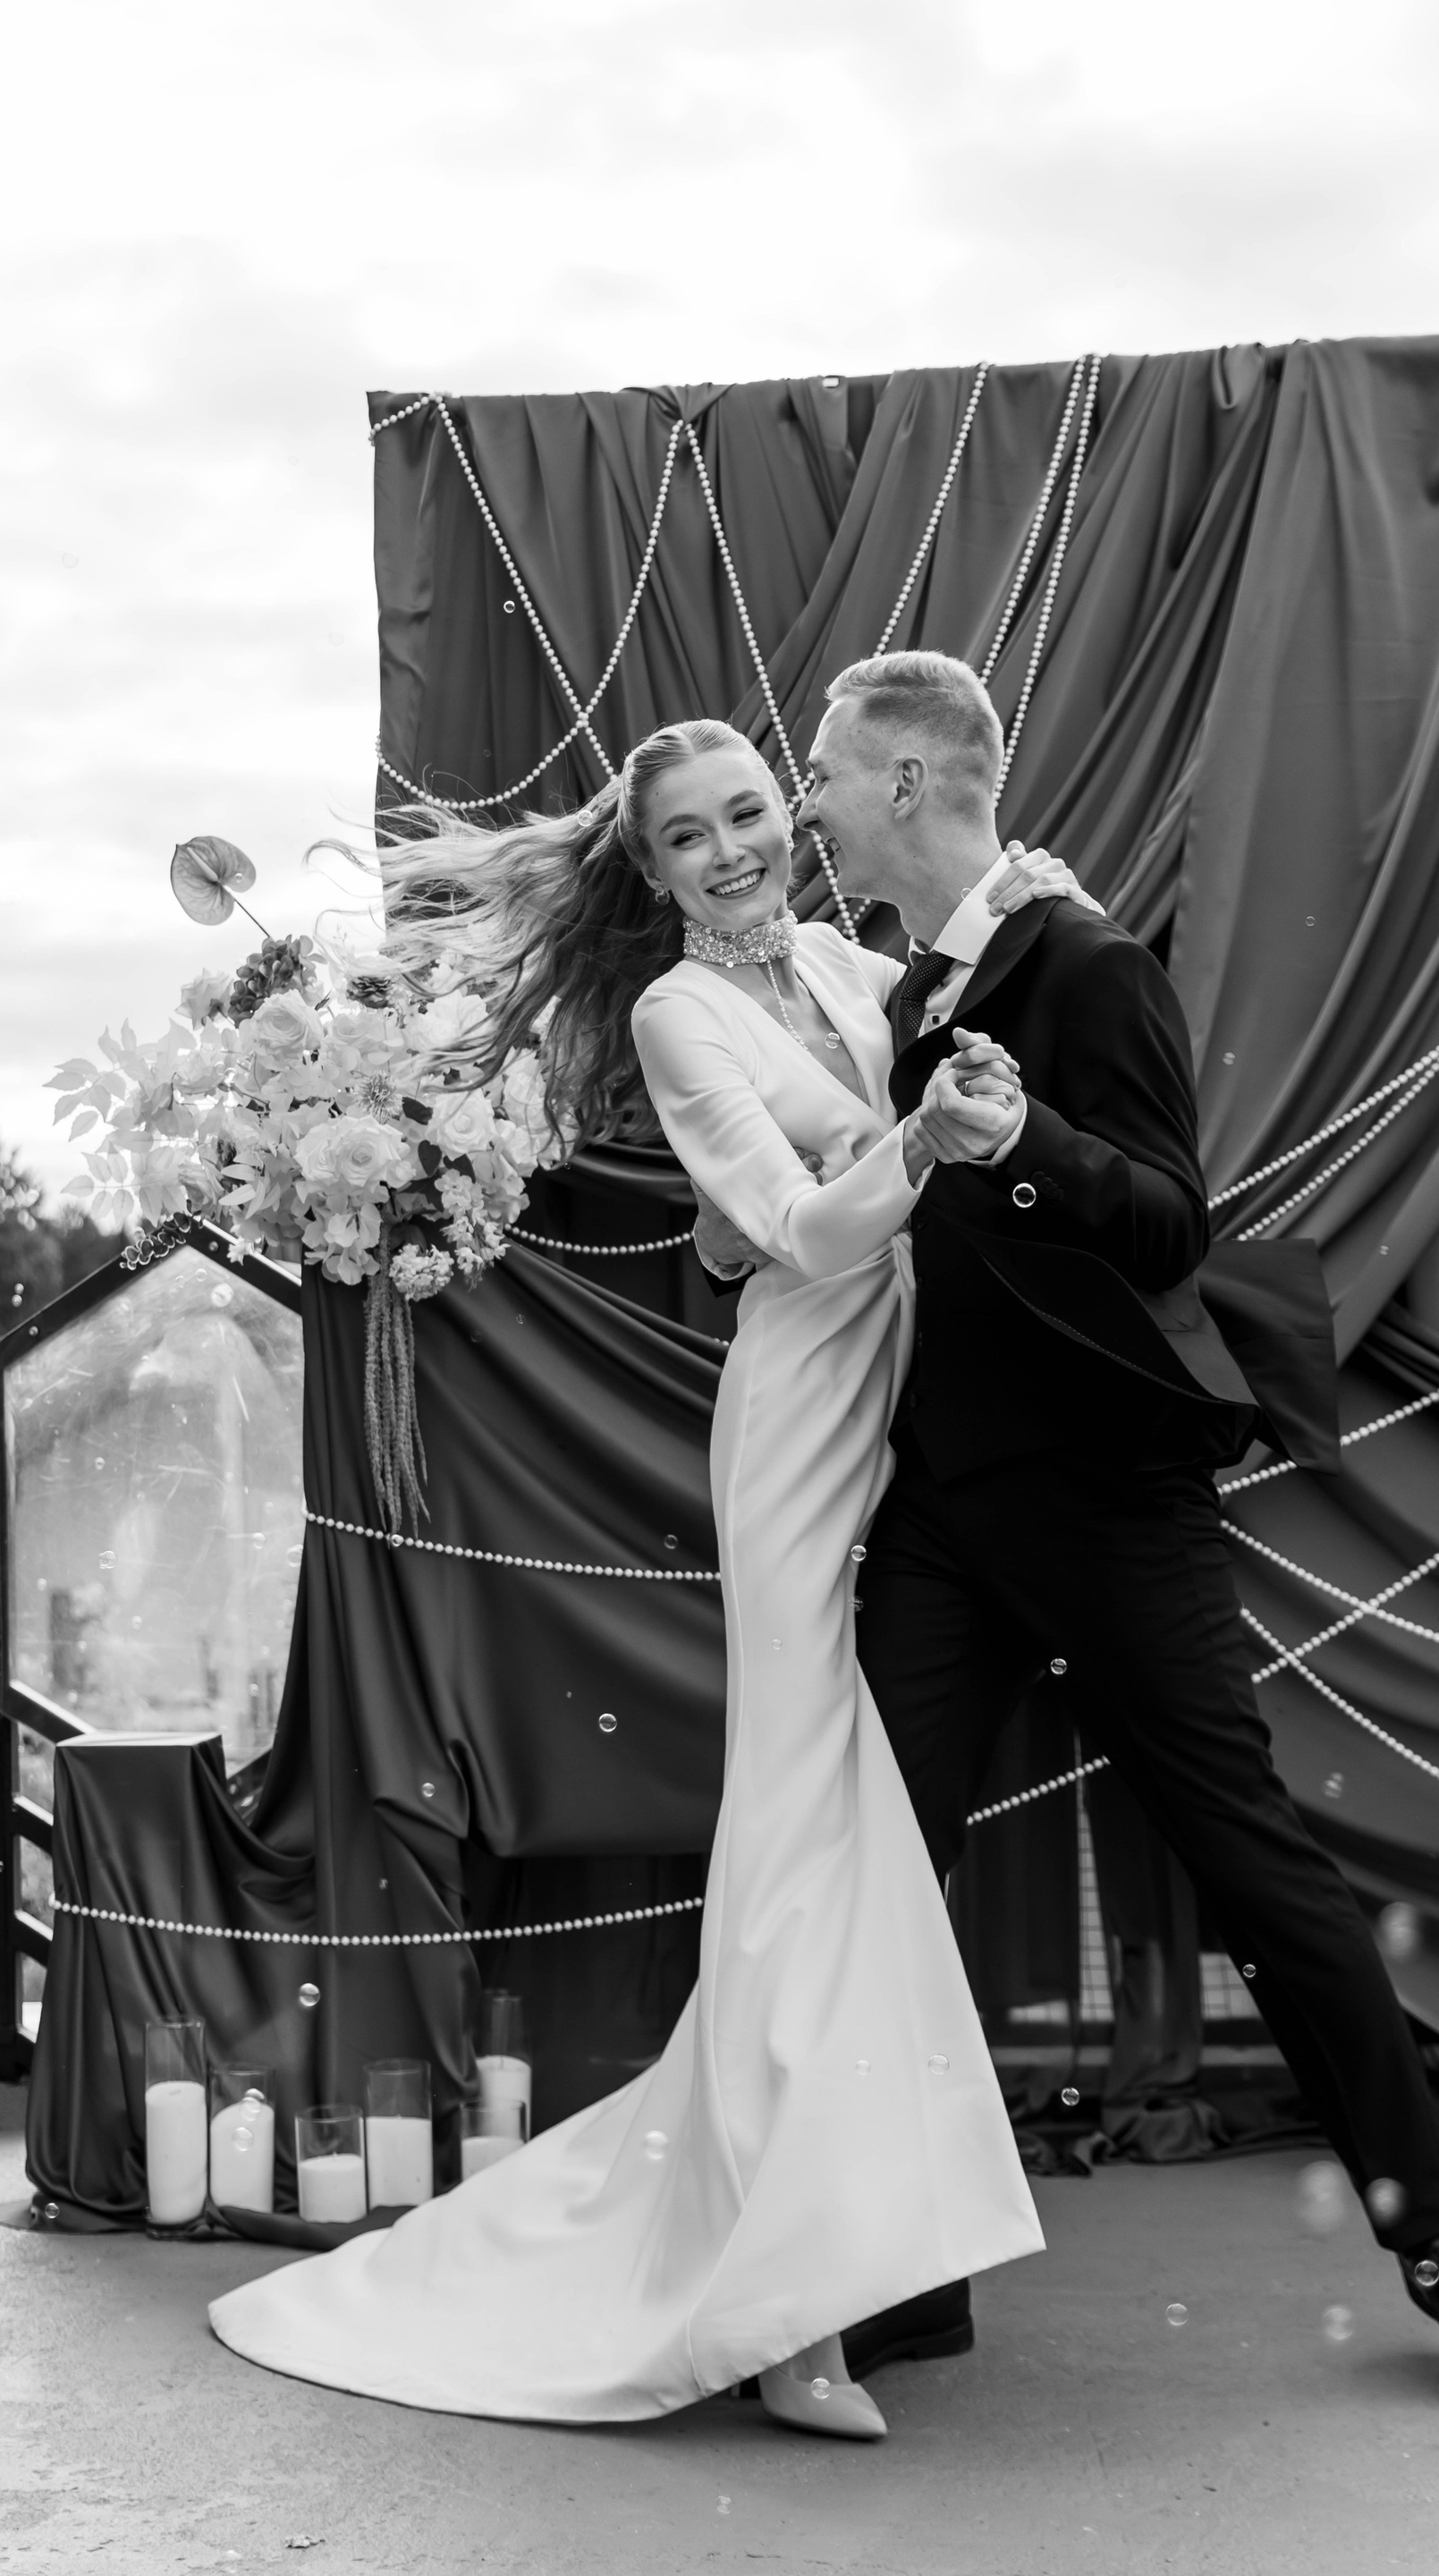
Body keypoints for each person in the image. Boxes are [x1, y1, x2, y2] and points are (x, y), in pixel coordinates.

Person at [209, 720, 1088, 2436]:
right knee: (799, 1832)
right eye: (691, 836)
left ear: (790, 819)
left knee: (861, 1834)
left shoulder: (843, 964)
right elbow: (803, 1235)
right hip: (804, 1428)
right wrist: (918, 1149)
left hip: (926, 1412)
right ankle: (779, 2304)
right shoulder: (680, 1017)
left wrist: (1030, 899)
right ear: (656, 868)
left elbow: (969, 999)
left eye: (751, 812)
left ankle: (823, 2252)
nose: (733, 849)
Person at [782, 648, 1439, 2427]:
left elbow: (1164, 1223)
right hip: (945, 1513)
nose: (811, 801)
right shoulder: (907, 984)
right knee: (872, 1877)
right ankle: (900, 2271)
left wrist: (1024, 1138)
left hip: (1109, 1506)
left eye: (825, 772)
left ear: (905, 781)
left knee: (1259, 1875)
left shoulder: (1090, 962)